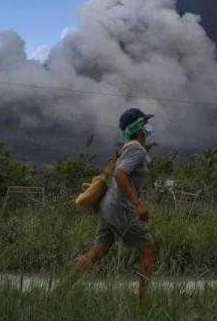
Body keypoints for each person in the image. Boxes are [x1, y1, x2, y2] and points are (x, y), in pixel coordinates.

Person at [74, 108, 156, 299]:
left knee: (97, 251)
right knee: (148, 248)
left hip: (108, 206)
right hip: (119, 209)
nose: (148, 127)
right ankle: (143, 303)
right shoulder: (137, 149)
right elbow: (120, 175)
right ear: (138, 128)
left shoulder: (126, 148)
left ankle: (62, 291)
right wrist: (138, 205)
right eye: (145, 123)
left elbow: (119, 174)